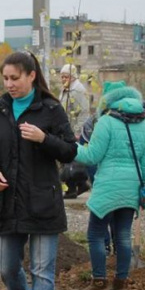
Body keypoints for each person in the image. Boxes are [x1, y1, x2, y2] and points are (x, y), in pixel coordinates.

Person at [0, 51, 77, 290]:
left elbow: (70, 151)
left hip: (43, 203)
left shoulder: (50, 108)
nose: (9, 84)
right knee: (8, 268)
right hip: (8, 203)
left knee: (43, 272)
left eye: (15, 78)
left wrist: (43, 138)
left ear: (31, 75)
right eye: (5, 78)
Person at [72, 81, 145, 290]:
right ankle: (120, 287)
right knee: (123, 236)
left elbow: (92, 156)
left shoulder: (106, 122)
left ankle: (98, 284)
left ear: (108, 100)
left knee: (95, 234)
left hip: (108, 185)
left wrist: (71, 148)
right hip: (131, 187)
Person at [58, 63, 91, 199]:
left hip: (73, 130)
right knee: (67, 159)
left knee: (69, 157)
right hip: (65, 129)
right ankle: (78, 185)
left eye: (65, 76)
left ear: (72, 76)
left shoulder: (78, 90)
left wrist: (77, 131)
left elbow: (83, 113)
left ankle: (76, 186)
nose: (63, 79)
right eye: (62, 76)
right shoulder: (67, 88)